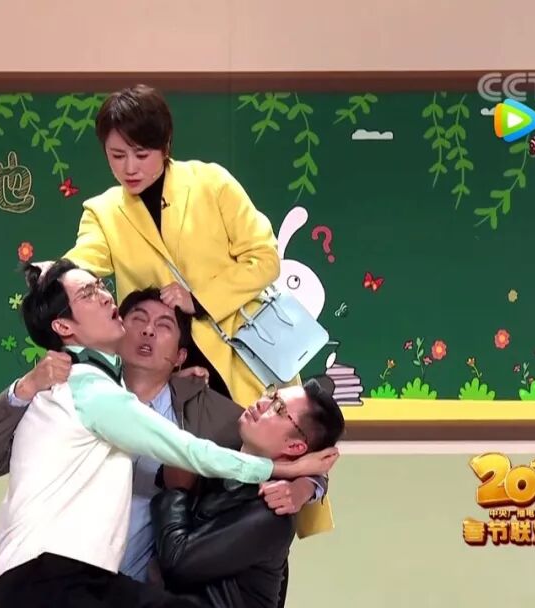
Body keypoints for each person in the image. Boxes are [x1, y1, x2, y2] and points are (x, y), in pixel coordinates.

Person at [45, 83, 336, 538]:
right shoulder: (102, 212)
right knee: (171, 509)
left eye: (141, 154)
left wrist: (198, 298)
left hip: (245, 361)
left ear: (165, 146)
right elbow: (84, 263)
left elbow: (265, 259)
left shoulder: (211, 183)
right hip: (169, 379)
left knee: (272, 489)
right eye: (116, 155)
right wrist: (54, 273)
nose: (129, 168)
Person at [0, 259, 337, 608]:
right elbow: (191, 451)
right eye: (89, 293)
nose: (105, 296)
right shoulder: (80, 388)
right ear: (63, 326)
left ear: (180, 355)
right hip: (55, 572)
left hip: (93, 579)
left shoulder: (204, 412)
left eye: (101, 286)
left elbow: (292, 444)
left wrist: (307, 481)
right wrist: (283, 468)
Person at [151, 381, 346, 608]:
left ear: (294, 447)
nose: (262, 403)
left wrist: (176, 491)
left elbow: (177, 563)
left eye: (278, 408)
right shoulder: (225, 449)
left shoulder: (271, 510)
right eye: (271, 395)